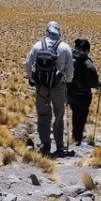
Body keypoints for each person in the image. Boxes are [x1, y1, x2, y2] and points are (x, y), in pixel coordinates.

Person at [24, 21, 74, 157]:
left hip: (41, 87)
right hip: (58, 87)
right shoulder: (65, 48)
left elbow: (28, 66)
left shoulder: (37, 46)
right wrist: (67, 82)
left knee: (43, 115)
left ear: (46, 31)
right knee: (59, 116)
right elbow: (69, 72)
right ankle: (59, 146)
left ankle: (45, 145)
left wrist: (33, 79)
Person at [69, 38, 101, 146]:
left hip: (70, 93)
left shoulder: (69, 59)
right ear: (87, 50)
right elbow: (94, 83)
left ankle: (75, 136)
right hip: (83, 96)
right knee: (81, 116)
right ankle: (77, 138)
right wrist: (99, 84)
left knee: (75, 114)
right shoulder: (88, 64)